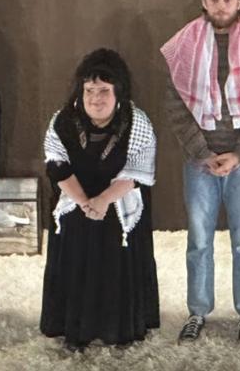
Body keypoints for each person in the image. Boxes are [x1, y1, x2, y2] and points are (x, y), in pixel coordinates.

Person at [162, 0, 240, 346]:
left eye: (227, 0)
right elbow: (175, 104)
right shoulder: (183, 46)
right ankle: (197, 312)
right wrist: (202, 152)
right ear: (204, 1)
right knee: (199, 241)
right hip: (200, 160)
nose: (220, 7)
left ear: (239, 2)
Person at [40, 48, 159, 352]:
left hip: (118, 200)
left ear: (118, 93)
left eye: (104, 90)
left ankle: (117, 326)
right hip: (76, 197)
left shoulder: (137, 121)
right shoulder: (63, 121)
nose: (96, 98)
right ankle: (73, 327)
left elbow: (137, 172)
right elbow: (57, 166)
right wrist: (84, 202)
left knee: (114, 239)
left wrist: (103, 201)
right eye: (90, 90)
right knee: (76, 231)